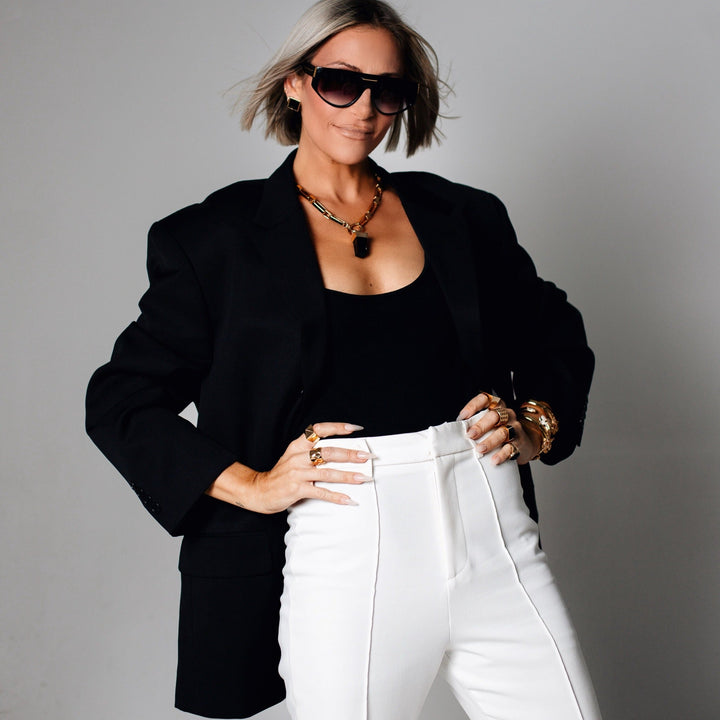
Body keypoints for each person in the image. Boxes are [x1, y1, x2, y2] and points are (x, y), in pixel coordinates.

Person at [85, 1, 602, 718]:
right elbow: (121, 401)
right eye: (340, 82)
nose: (364, 109)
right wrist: (252, 484)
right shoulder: (215, 241)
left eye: (387, 91)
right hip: (343, 538)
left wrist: (536, 424)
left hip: (490, 522)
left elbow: (554, 330)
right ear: (295, 82)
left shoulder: (463, 217)